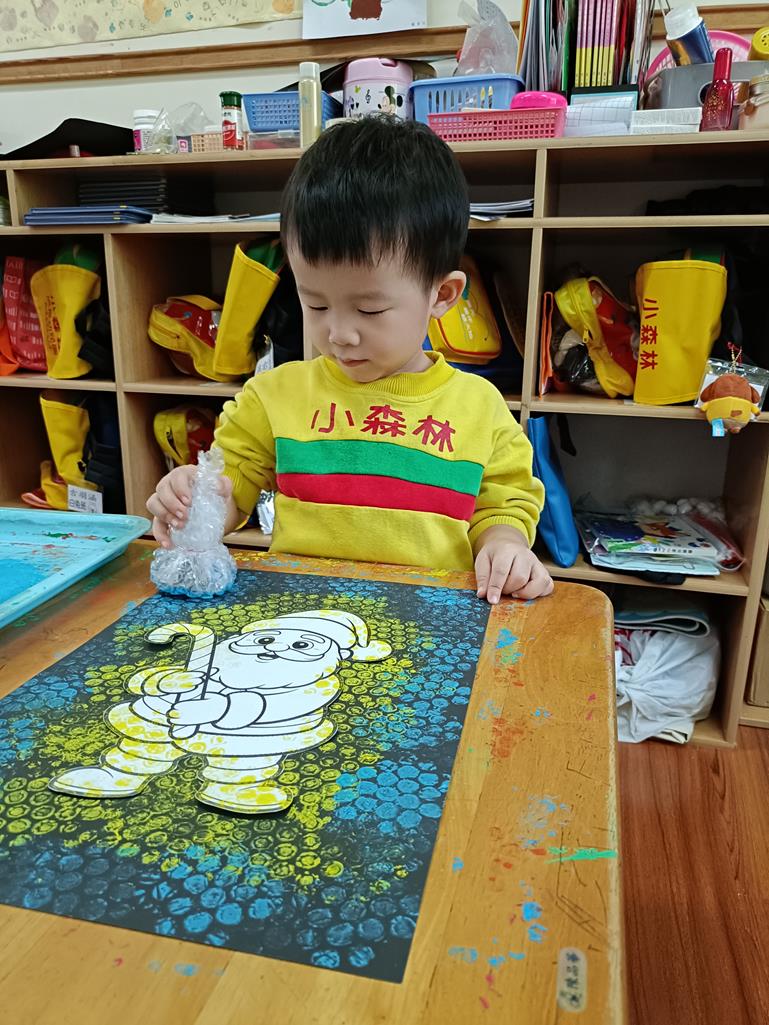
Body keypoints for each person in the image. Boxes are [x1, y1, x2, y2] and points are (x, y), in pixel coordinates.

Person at [147, 116, 552, 604]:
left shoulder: (480, 408)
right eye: (315, 304)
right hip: (300, 619)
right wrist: (195, 500)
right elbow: (234, 486)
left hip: (426, 623)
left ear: (442, 295)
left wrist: (505, 546)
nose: (338, 334)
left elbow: (504, 504)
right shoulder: (274, 397)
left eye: (370, 309)